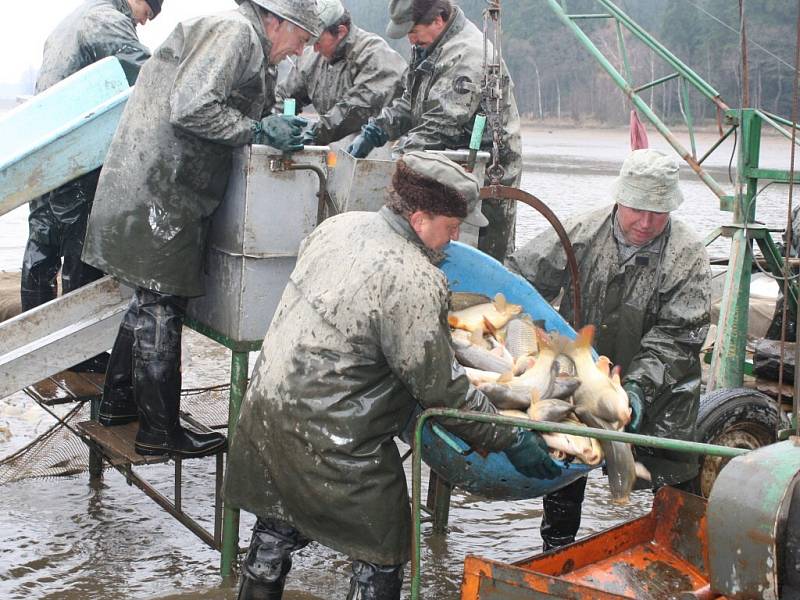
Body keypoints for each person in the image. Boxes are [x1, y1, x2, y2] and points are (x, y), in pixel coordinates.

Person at [224, 151, 560, 600]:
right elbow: (444, 392)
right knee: (384, 549)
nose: (455, 237)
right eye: (451, 226)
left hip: (265, 416)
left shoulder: (337, 227)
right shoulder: (413, 278)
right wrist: (511, 437)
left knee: (275, 528)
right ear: (419, 219)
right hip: (338, 444)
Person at [81, 0, 319, 458]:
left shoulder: (236, 32)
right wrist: (257, 130)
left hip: (148, 182)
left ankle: (117, 404)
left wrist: (262, 122)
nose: (297, 52)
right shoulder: (237, 33)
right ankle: (158, 433)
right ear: (277, 21)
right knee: (161, 306)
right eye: (301, 40)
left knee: (148, 296)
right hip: (161, 187)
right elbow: (192, 107)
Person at [507, 149, 711, 550]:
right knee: (566, 471)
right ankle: (557, 551)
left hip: (664, 389)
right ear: (620, 197)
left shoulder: (687, 256)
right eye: (637, 208)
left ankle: (682, 558)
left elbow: (678, 338)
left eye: (658, 211)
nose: (646, 222)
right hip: (580, 379)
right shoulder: (579, 233)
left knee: (677, 482)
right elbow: (517, 278)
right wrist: (533, 343)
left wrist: (635, 390)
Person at [21, 0, 158, 373]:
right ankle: (80, 354)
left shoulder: (75, 18)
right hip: (77, 152)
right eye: (148, 12)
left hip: (46, 148)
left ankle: (32, 348)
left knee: (42, 244)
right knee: (83, 249)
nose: (143, 22)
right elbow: (147, 72)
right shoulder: (107, 20)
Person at [346, 0, 522, 262]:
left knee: (481, 253)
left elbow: (441, 125)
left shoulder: (467, 54)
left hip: (485, 173)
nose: (410, 39)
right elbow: (410, 101)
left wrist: (398, 159)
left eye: (413, 30)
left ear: (438, 20)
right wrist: (376, 130)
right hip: (444, 164)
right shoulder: (428, 46)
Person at [275, 0, 406, 147]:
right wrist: (275, 125)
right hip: (332, 150)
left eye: (318, 41)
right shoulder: (311, 58)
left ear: (341, 32)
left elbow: (354, 111)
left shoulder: (376, 56)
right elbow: (284, 96)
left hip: (378, 150)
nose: (315, 49)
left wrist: (310, 135)